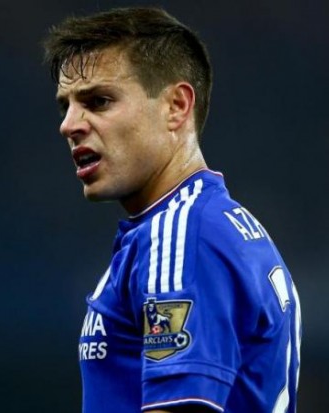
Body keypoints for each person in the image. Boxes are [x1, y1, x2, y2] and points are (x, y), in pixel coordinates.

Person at [43, 7, 301, 413]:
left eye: (99, 101)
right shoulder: (218, 224)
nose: (69, 125)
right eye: (66, 106)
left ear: (176, 106)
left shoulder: (182, 236)